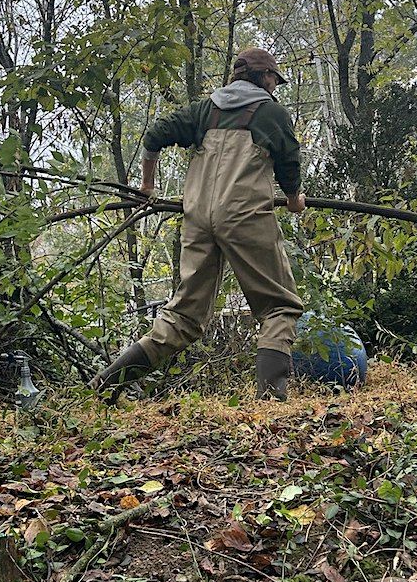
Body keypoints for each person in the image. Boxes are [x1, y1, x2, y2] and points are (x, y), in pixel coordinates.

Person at [94, 48, 307, 400]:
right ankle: (270, 400)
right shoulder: (272, 113)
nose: (275, 86)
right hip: (244, 217)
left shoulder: (204, 110)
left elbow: (154, 136)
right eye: (274, 79)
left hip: (197, 220)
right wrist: (295, 197)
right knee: (280, 307)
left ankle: (105, 385)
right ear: (266, 77)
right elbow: (288, 163)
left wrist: (147, 185)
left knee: (184, 317)